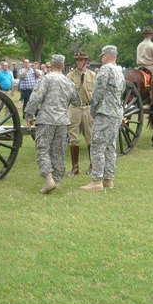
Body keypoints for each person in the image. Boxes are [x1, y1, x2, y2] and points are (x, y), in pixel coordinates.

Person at [24, 54, 81, 194]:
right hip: (62, 121)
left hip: (46, 120)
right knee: (58, 151)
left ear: (51, 66)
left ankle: (49, 179)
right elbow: (77, 102)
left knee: (43, 149)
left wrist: (29, 116)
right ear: (62, 66)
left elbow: (35, 98)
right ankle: (57, 181)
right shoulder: (68, 82)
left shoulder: (46, 79)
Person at [81, 45, 125, 192]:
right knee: (110, 147)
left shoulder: (106, 69)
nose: (101, 59)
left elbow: (98, 91)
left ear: (105, 56)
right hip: (116, 112)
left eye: (102, 56)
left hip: (105, 112)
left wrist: (93, 111)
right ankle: (108, 180)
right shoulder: (119, 70)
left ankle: (97, 181)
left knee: (97, 146)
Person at [66, 48, 96, 176]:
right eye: (77, 59)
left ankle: (92, 165)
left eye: (81, 59)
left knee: (90, 138)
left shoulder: (93, 75)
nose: (79, 62)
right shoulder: (70, 76)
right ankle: (75, 167)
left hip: (88, 108)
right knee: (73, 138)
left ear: (86, 61)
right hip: (74, 108)